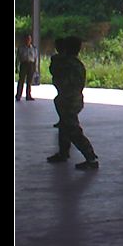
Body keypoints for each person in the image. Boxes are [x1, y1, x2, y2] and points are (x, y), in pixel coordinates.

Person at [46, 36, 99, 170]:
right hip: (73, 99)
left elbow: (54, 70)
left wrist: (58, 56)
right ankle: (63, 153)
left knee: (73, 130)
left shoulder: (65, 63)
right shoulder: (77, 64)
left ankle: (91, 158)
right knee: (64, 126)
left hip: (68, 100)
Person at [15, 33, 38, 101]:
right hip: (24, 64)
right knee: (21, 80)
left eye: (29, 39)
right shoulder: (21, 48)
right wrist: (16, 67)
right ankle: (18, 95)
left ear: (31, 40)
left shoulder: (34, 48)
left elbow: (36, 59)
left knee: (29, 81)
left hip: (31, 65)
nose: (28, 40)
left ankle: (28, 95)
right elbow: (17, 58)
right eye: (27, 39)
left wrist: (36, 68)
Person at [50, 37, 66, 127]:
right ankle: (63, 120)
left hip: (63, 83)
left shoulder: (56, 58)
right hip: (60, 83)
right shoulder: (57, 58)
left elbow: (52, 70)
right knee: (60, 101)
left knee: (61, 101)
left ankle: (64, 120)